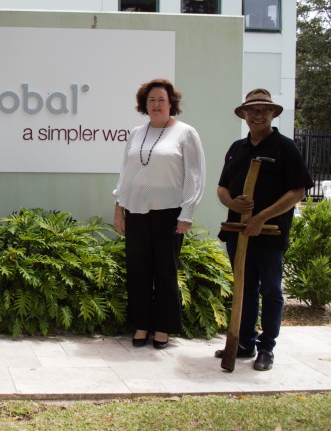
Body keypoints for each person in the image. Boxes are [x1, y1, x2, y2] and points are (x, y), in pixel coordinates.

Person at [215, 89, 313, 371]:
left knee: (271, 290)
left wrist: (262, 217)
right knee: (243, 288)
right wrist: (232, 202)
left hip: (270, 233)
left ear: (273, 114)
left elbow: (297, 191)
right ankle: (243, 342)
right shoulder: (237, 149)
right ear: (244, 114)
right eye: (252, 110)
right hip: (238, 232)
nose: (258, 115)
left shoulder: (285, 148)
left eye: (264, 110)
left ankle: (266, 348)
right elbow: (222, 188)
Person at [113, 79, 206, 349]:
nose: (156, 104)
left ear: (171, 103)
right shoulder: (136, 133)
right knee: (138, 270)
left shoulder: (186, 133)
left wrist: (187, 213)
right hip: (137, 211)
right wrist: (119, 207)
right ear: (144, 104)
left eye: (161, 100)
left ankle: (163, 328)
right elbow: (125, 173)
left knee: (165, 271)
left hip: (169, 213)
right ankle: (142, 325)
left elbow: (195, 175)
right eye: (151, 100)